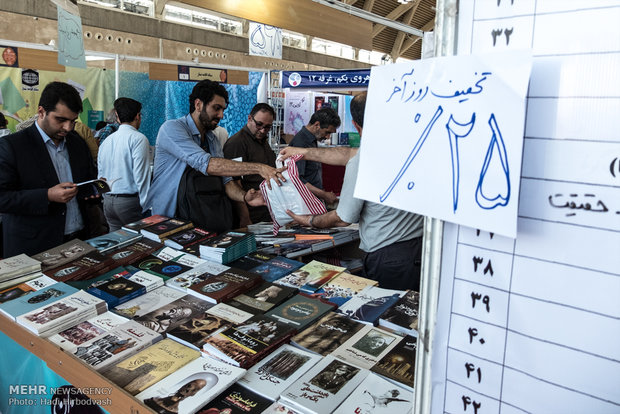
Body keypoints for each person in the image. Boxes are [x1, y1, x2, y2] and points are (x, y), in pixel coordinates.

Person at [280, 92, 424, 291]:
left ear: (356, 126)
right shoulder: (416, 147)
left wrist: (310, 220)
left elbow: (342, 218)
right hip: (420, 249)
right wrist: (304, 152)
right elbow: (348, 153)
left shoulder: (363, 161)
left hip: (389, 259)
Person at [145, 79, 285, 220]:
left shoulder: (212, 139)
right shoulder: (172, 129)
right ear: (198, 104)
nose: (221, 115)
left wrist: (244, 197)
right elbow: (208, 164)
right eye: (216, 108)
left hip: (200, 217)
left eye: (223, 110)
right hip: (169, 218)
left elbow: (227, 180)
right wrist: (259, 168)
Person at [0, 81, 99, 257]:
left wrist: (92, 189)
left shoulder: (77, 143)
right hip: (35, 246)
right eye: (60, 120)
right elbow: (3, 198)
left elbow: (87, 177)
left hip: (78, 240)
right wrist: (47, 195)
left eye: (73, 121)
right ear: (41, 112)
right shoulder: (12, 147)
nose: (67, 128)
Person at [98, 97, 152, 231]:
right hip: (129, 203)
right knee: (138, 243)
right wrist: (147, 206)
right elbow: (141, 176)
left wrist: (106, 199)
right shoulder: (139, 139)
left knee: (117, 244)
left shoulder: (106, 141)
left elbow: (101, 177)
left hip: (108, 202)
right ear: (138, 116)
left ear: (117, 117)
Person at [224, 103, 277, 224]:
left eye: (268, 127)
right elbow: (234, 183)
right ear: (249, 118)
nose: (263, 130)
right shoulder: (236, 143)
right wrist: (245, 217)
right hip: (250, 213)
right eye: (259, 124)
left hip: (267, 210)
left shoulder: (262, 141)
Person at [288, 107, 340, 205]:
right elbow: (298, 180)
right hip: (304, 202)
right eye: (327, 132)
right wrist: (323, 194)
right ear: (317, 125)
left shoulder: (311, 140)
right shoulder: (301, 143)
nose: (328, 137)